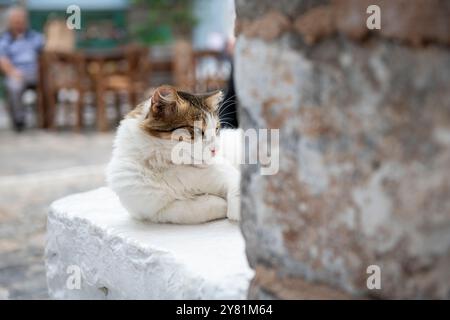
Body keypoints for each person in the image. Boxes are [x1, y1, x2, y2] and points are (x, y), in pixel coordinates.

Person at [0, 6, 44, 131]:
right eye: (16, 20)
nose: (19, 23)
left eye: (21, 20)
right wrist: (12, 72)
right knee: (14, 85)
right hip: (16, 72)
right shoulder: (5, 39)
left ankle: (47, 120)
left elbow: (47, 48)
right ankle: (19, 121)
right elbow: (2, 59)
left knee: (50, 83)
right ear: (10, 22)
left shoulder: (35, 37)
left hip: (35, 72)